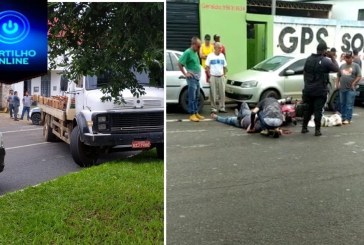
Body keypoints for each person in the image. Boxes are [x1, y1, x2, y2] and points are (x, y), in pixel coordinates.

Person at [301, 42, 339, 136]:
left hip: (308, 90)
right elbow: (336, 68)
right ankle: (317, 130)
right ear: (324, 51)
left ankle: (304, 128)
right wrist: (332, 57)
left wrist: (307, 84)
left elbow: (304, 73)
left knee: (308, 110)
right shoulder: (325, 60)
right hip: (319, 91)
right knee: (318, 110)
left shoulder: (308, 59)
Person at [178, 37, 205, 122]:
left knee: (197, 95)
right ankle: (192, 114)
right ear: (193, 44)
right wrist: (186, 73)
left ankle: (196, 112)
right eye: (198, 46)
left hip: (197, 78)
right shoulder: (188, 52)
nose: (199, 48)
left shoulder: (195, 52)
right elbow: (179, 63)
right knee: (192, 96)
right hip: (192, 78)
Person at [335, 51, 362, 124]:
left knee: (349, 104)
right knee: (342, 103)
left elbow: (359, 76)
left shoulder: (356, 66)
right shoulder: (342, 66)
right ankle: (343, 118)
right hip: (342, 88)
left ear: (352, 58)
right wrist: (337, 84)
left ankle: (348, 118)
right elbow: (338, 75)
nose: (347, 59)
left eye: (348, 58)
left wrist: (353, 83)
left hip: (351, 89)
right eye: (346, 58)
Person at [205, 42, 228, 113]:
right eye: (219, 48)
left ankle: (222, 107)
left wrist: (224, 75)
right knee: (213, 93)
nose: (221, 49)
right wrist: (209, 76)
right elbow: (207, 67)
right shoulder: (210, 56)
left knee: (222, 93)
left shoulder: (222, 56)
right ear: (215, 48)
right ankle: (213, 108)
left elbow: (224, 66)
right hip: (213, 76)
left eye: (221, 48)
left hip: (221, 76)